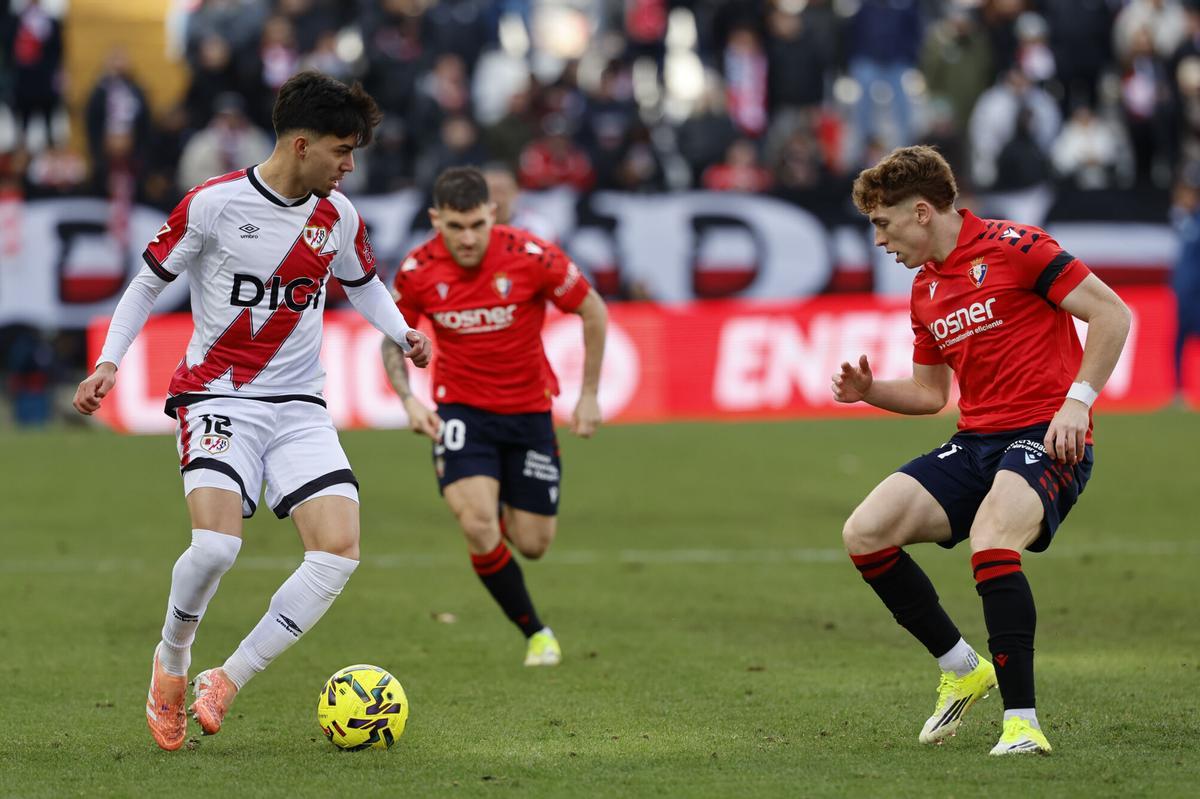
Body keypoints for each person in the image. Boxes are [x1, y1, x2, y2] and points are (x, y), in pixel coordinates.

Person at [72, 71, 432, 751]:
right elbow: (148, 281)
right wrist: (110, 361)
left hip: (299, 404)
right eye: (341, 150)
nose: (349, 164)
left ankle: (227, 678)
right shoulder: (212, 204)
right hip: (219, 395)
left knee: (338, 551)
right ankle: (171, 664)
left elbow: (364, 284)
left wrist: (401, 330)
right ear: (301, 145)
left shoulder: (338, 216)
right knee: (214, 546)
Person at [834, 145, 1130, 755]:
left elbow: (1112, 314)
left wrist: (1077, 402)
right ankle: (962, 666)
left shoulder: (1018, 246)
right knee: (866, 531)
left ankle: (1022, 725)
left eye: (882, 224)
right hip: (976, 442)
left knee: (993, 537)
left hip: (1047, 436)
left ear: (921, 212)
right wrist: (869, 392)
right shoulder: (925, 291)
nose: (879, 240)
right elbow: (928, 393)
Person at [381, 166, 607, 667]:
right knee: (479, 525)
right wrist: (409, 400)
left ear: (492, 215)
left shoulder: (532, 256)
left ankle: (502, 492)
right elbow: (392, 338)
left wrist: (588, 395)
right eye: (455, 227)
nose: (467, 238)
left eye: (476, 225)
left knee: (533, 544)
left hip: (529, 413)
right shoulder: (418, 269)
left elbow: (594, 310)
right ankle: (537, 633)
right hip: (463, 412)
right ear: (436, 220)